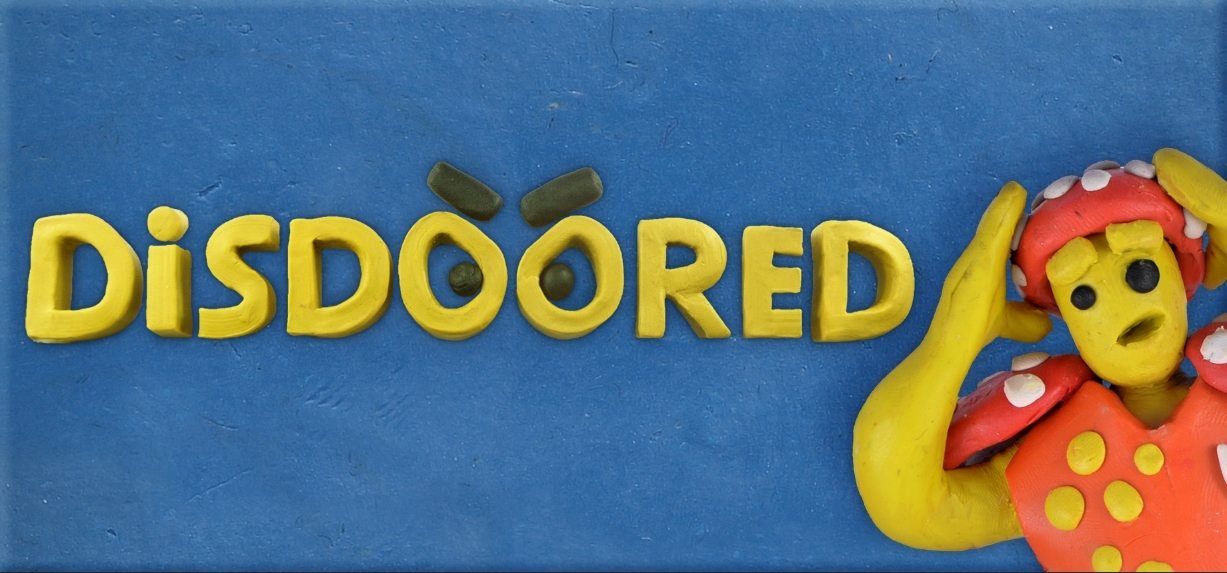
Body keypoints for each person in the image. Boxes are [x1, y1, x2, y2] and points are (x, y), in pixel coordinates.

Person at [852, 149, 1227, 572]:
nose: (1120, 306)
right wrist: (953, 339)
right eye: (1084, 297)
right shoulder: (1057, 459)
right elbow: (908, 507)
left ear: (1180, 276)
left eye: (1142, 273)